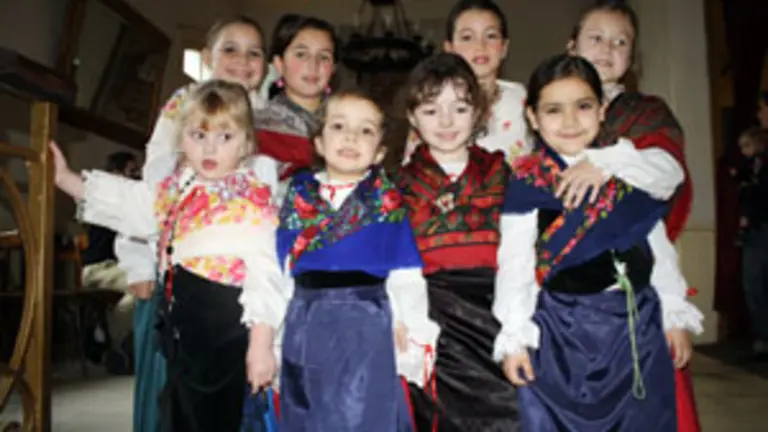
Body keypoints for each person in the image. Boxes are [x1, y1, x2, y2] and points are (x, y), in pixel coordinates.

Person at [50, 80, 284, 432]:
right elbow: (131, 203)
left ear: (246, 144)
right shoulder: (179, 187)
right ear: (181, 139)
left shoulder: (250, 201)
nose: (210, 147)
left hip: (224, 327)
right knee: (178, 412)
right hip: (180, 325)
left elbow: (266, 275)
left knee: (216, 416)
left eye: (225, 137)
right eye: (198, 135)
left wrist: (261, 346)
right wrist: (67, 179)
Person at [495, 54, 702, 431]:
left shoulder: (629, 170)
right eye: (554, 110)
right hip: (562, 333)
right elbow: (514, 267)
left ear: (603, 110)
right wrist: (515, 336)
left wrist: (673, 310)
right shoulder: (527, 184)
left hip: (636, 330)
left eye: (584, 106)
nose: (570, 122)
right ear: (532, 117)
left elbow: (658, 248)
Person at [110, 15, 275, 432]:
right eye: (230, 50)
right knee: (181, 394)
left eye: (254, 52)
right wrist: (135, 259)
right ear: (207, 58)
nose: (242, 61)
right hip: (183, 272)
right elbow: (153, 187)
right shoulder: (185, 106)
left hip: (241, 278)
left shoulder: (264, 111)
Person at [243, 89, 438, 431]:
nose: (351, 136)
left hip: (368, 332)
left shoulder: (388, 204)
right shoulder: (294, 199)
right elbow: (275, 275)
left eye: (365, 130)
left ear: (379, 152)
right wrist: (265, 343)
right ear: (318, 143)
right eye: (338, 126)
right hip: (306, 329)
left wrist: (414, 332)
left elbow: (406, 273)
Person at [565, 2, 700, 429]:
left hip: (635, 279)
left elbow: (667, 172)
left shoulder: (645, 112)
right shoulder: (549, 110)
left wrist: (608, 162)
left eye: (620, 41)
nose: (608, 48)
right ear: (572, 46)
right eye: (596, 38)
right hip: (566, 296)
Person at [397, 52, 517, 431]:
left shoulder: (502, 172)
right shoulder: (397, 185)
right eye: (431, 111)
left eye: (459, 108)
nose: (446, 122)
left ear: (478, 111)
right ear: (412, 117)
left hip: (497, 312)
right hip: (432, 319)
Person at [403, 0, 530, 164]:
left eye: (491, 36)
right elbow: (412, 172)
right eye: (467, 37)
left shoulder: (524, 98)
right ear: (449, 48)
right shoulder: (430, 103)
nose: (480, 45)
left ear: (504, 47)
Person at [255, 13, 338, 199]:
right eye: (301, 54)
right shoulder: (256, 125)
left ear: (333, 68)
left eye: (323, 57)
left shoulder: (349, 120)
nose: (313, 65)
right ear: (279, 63)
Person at [79, 151, 140, 373]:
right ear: (116, 173)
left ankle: (111, 334)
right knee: (141, 284)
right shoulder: (107, 199)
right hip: (97, 269)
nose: (137, 177)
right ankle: (111, 336)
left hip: (114, 267)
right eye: (132, 172)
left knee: (148, 280)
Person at [732, 127, 768, 360]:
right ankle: (761, 336)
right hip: (754, 228)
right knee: (753, 284)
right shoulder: (750, 168)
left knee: (757, 282)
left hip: (761, 225)